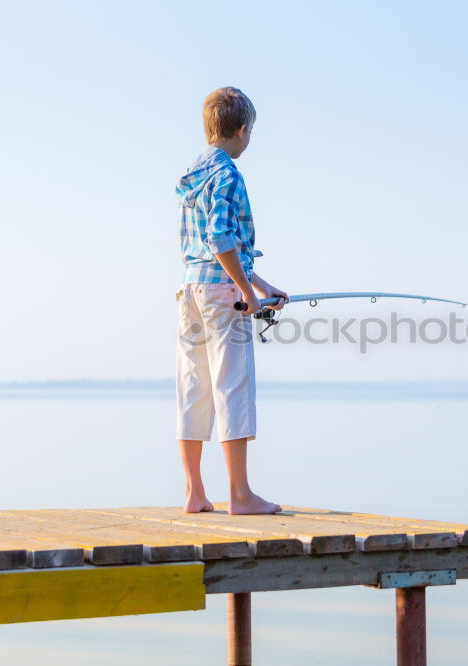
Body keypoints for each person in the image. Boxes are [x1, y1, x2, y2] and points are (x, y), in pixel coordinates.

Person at [174, 86, 288, 515]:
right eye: (251, 130)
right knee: (232, 387)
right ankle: (240, 495)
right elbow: (220, 238)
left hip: (191, 289)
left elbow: (219, 247)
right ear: (241, 130)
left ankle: (194, 493)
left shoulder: (192, 174)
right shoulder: (228, 174)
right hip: (223, 295)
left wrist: (259, 285)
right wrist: (245, 293)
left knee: (193, 388)